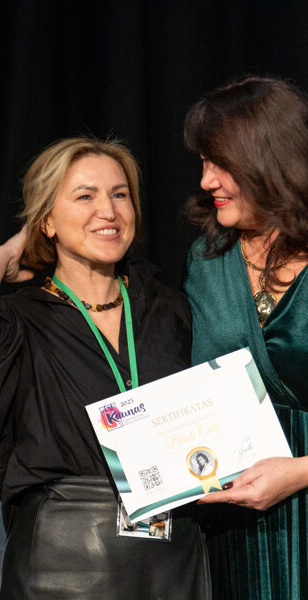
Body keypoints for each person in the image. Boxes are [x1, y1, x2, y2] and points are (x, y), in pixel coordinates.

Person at [0, 137, 210, 599]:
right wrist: (9, 251)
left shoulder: (167, 306)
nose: (108, 211)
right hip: (62, 564)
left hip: (172, 556)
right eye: (85, 196)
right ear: (46, 220)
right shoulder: (21, 320)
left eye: (120, 194)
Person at [184, 76, 308, 600]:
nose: (206, 180)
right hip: (240, 529)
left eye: (221, 163)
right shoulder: (206, 260)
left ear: (270, 159)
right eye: (203, 162)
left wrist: (299, 472)